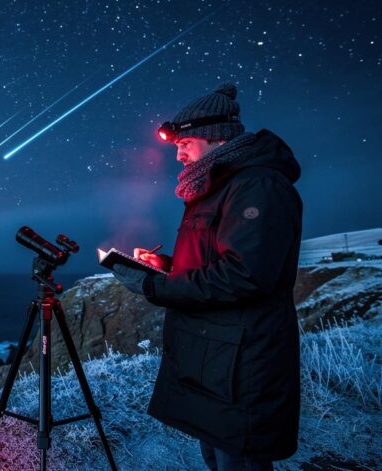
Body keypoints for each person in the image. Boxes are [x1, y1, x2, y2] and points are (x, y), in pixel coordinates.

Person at [112, 83, 303, 470]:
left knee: (239, 460)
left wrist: (156, 286)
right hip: (214, 356)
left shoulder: (257, 185)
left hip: (242, 362)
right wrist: (164, 265)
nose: (179, 153)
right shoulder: (216, 187)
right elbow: (215, 258)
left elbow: (244, 274)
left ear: (217, 139)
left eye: (187, 142)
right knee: (218, 455)